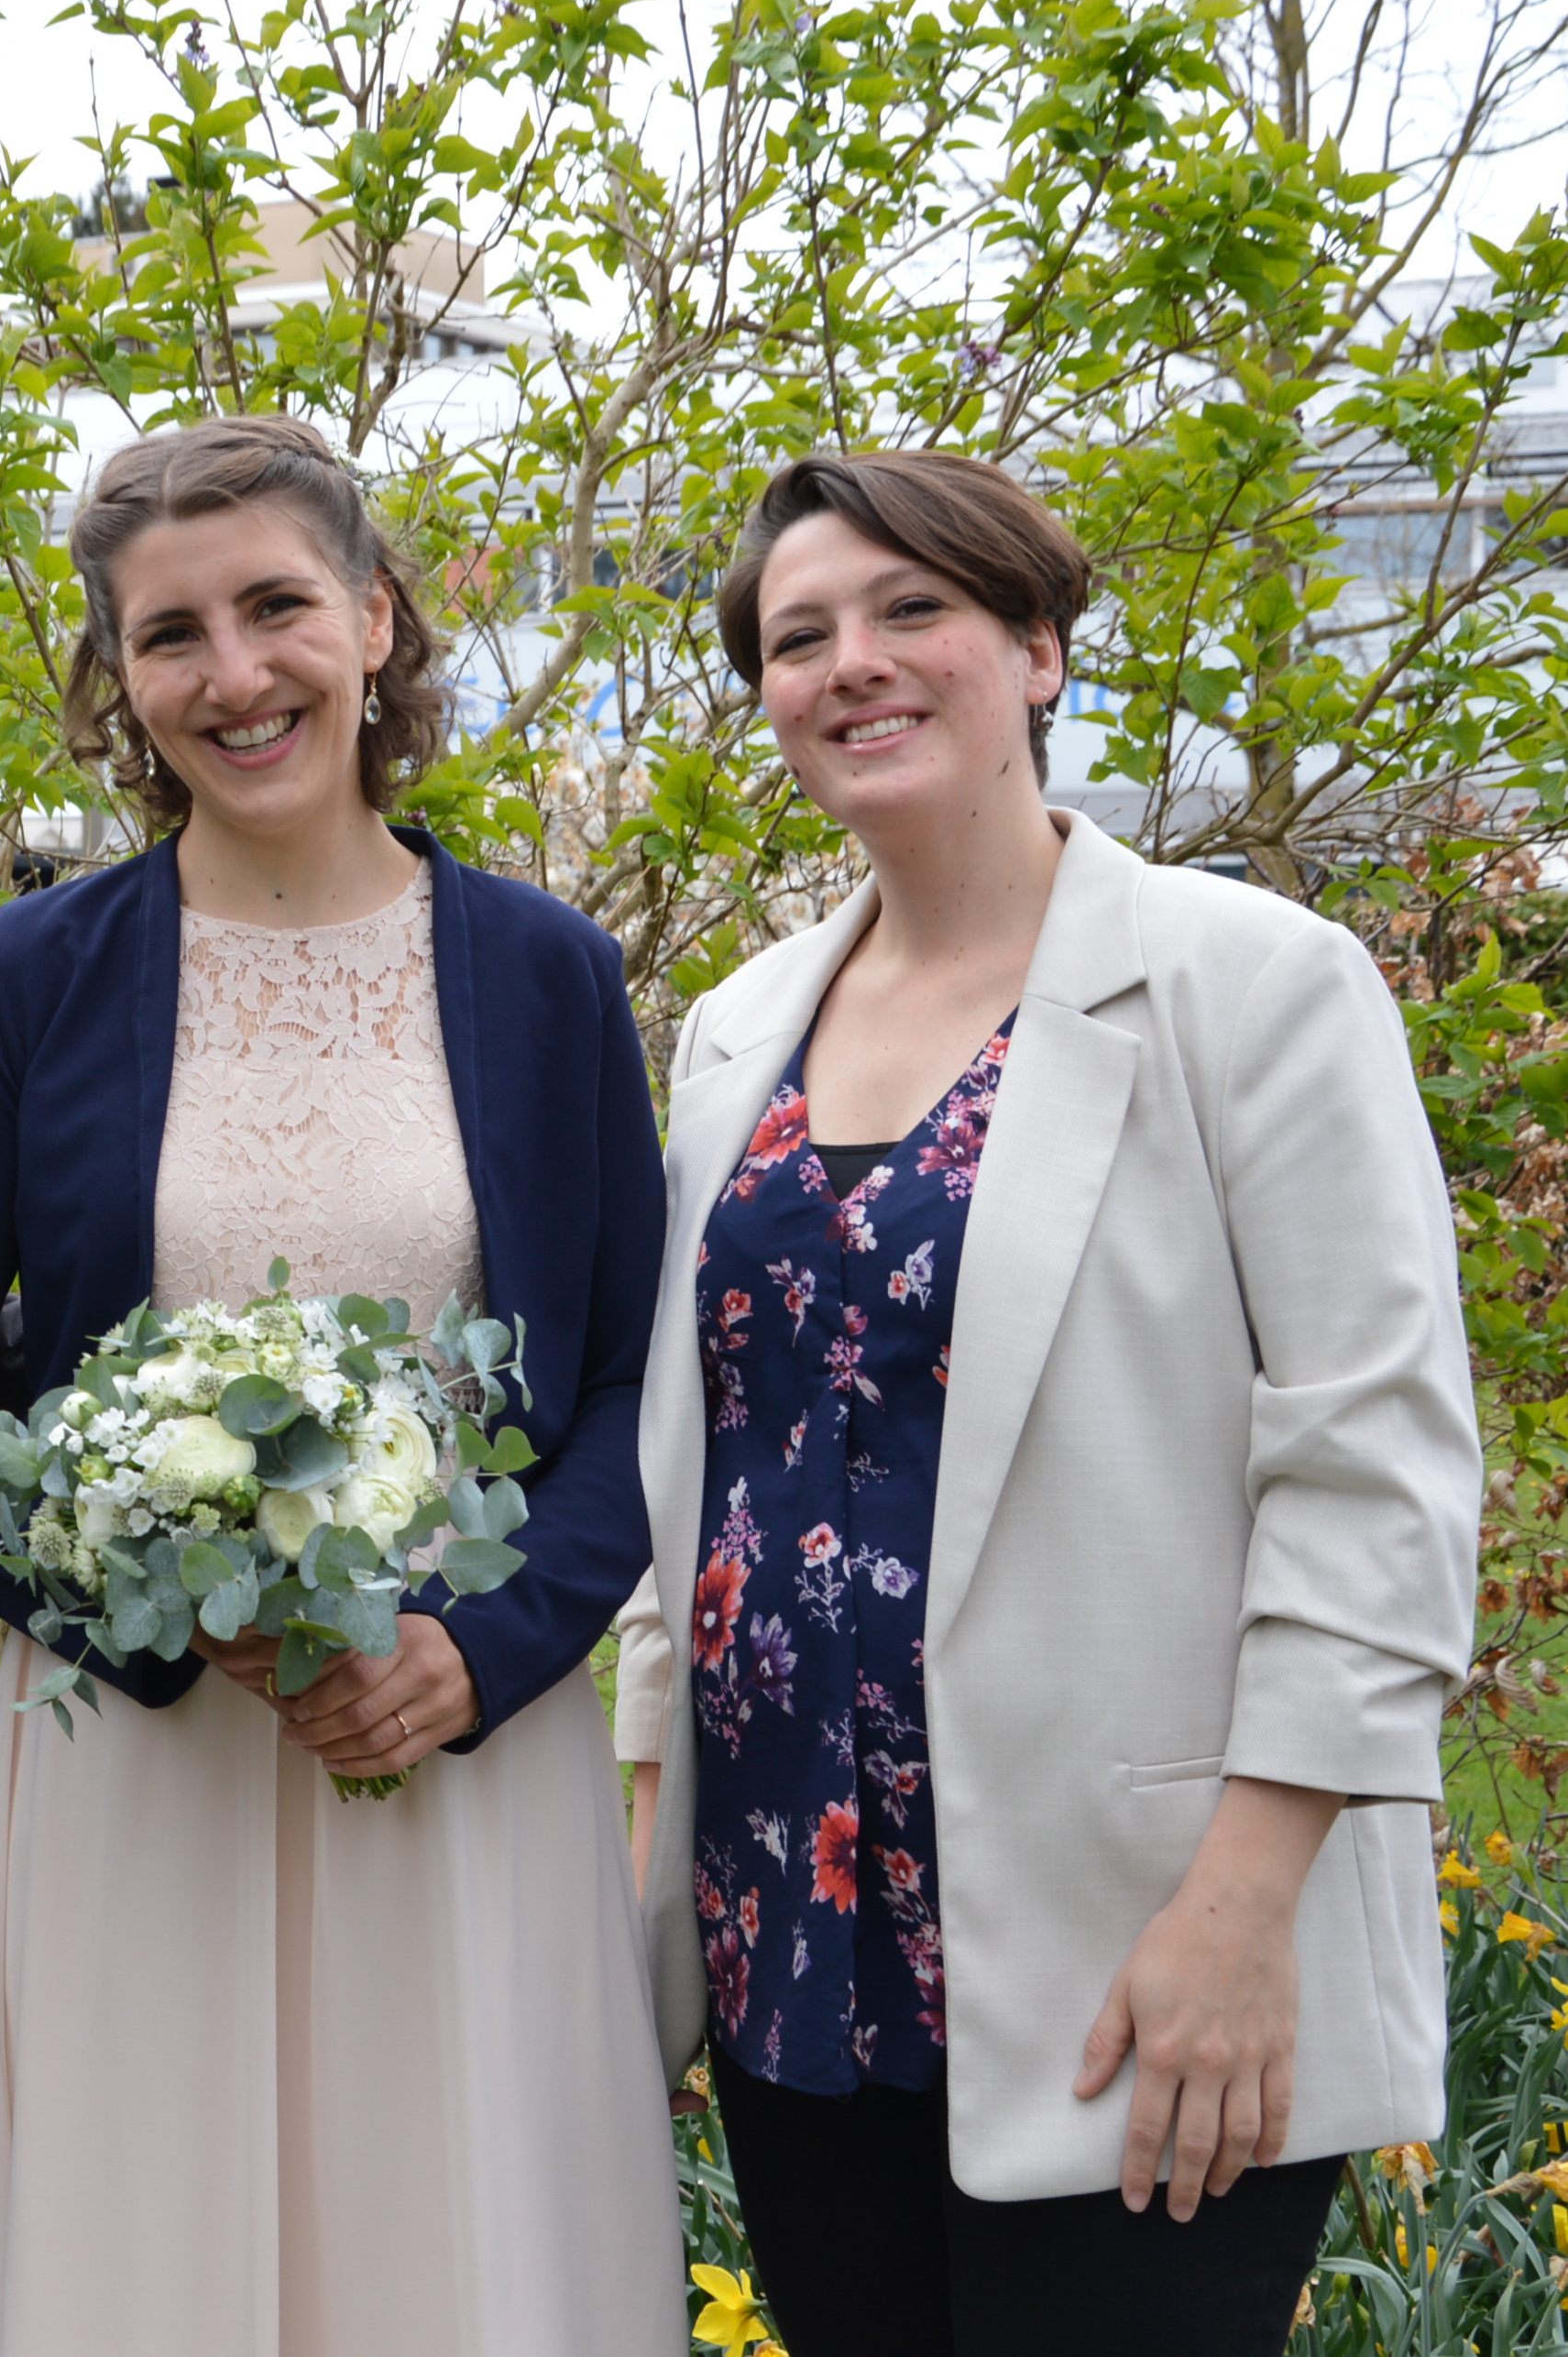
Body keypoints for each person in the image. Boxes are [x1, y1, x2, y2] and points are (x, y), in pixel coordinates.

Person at [0, 413, 685, 2354]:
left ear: (375, 620)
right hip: (139, 1768)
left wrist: (479, 1650)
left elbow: (641, 1376)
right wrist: (120, 1595)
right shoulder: (33, 975)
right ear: (116, 680)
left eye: (277, 606)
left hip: (454, 1758)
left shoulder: (545, 976)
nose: (234, 675)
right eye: (169, 634)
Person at [613, 450, 1479, 2356]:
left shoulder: (1251, 986)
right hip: (787, 1933)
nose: (852, 662)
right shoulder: (735, 1033)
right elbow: (704, 1482)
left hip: (1137, 1942)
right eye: (797, 637)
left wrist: (1239, 1914)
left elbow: (1375, 1471)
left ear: (1037, 648)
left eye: (911, 609)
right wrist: (651, 1869)